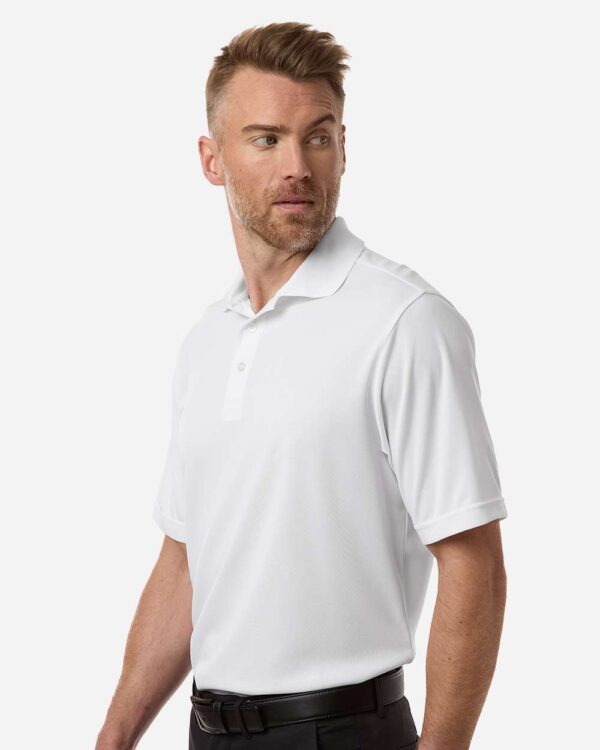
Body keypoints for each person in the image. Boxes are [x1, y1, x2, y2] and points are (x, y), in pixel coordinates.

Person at [96, 21, 508, 750]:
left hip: (342, 731)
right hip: (208, 731)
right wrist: (113, 736)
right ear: (212, 160)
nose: (297, 166)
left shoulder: (406, 321)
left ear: (343, 147)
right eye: (266, 139)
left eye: (317, 137)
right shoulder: (207, 341)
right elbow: (185, 561)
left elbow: (472, 562)